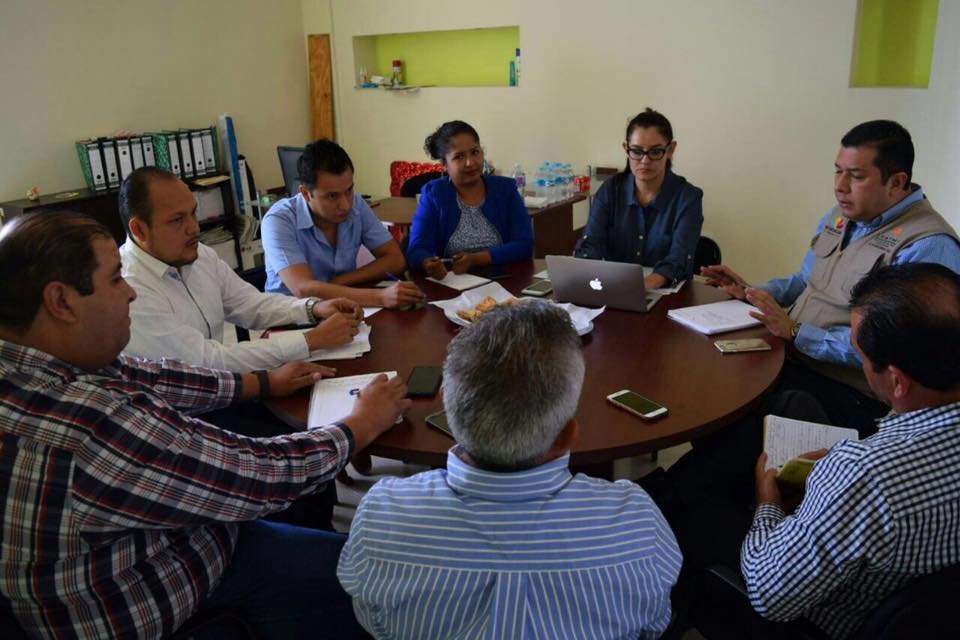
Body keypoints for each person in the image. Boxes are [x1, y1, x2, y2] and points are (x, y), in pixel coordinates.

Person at [0, 210, 411, 639]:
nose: (129, 293)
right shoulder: (89, 424)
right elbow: (258, 475)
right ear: (61, 301)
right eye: (115, 280)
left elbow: (155, 375)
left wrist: (263, 382)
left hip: (172, 541)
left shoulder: (40, 368)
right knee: (375, 574)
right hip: (179, 590)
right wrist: (361, 424)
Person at [338, 301, 681, 639]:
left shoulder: (381, 512)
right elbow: (654, 624)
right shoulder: (636, 522)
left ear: (448, 406)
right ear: (567, 435)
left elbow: (372, 621)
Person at [692, 263, 960, 639]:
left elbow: (770, 596)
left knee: (692, 507)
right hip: (930, 616)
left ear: (897, 381)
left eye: (861, 356)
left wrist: (768, 502)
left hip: (822, 619)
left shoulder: (863, 474)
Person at [701, 120, 960, 431]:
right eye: (838, 171)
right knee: (715, 381)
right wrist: (752, 292)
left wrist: (797, 332)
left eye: (856, 176)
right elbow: (805, 281)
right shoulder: (841, 215)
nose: (840, 186)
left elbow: (897, 352)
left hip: (849, 390)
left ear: (896, 182)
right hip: (792, 359)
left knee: (744, 424)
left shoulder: (927, 245)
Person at [119, 166, 363, 373]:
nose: (194, 228)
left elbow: (249, 304)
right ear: (140, 230)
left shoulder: (200, 254)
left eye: (193, 213)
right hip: (184, 407)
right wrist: (310, 340)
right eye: (177, 220)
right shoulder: (129, 290)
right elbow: (206, 363)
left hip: (222, 389)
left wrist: (312, 308)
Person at [262, 139, 425, 309]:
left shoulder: (357, 204)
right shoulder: (279, 220)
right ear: (306, 193)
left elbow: (395, 259)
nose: (346, 205)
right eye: (332, 196)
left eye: (349, 191)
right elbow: (303, 289)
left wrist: (341, 280)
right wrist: (380, 297)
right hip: (292, 315)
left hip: (342, 306)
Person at [575, 108, 704, 290]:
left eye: (655, 152)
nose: (645, 161)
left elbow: (678, 260)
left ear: (670, 150)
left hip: (664, 294)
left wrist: (640, 287)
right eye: (636, 151)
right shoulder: (610, 190)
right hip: (613, 289)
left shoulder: (688, 198)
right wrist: (583, 274)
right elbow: (590, 244)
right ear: (626, 148)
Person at [405, 120, 534, 279]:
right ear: (444, 164)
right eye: (459, 157)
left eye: (475, 152)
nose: (470, 162)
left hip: (504, 280)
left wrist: (477, 259)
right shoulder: (434, 194)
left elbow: (524, 244)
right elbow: (417, 249)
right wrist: (427, 263)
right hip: (453, 284)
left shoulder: (505, 189)